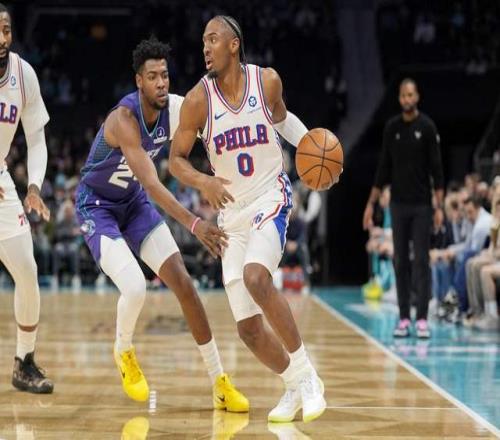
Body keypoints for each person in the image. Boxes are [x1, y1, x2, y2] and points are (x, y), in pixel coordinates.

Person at [169, 16, 333, 423]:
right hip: (231, 214)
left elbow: (282, 119)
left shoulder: (267, 82)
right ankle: (293, 385)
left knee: (256, 278)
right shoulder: (198, 100)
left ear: (234, 45)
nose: (205, 48)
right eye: (203, 42)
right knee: (248, 329)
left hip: (269, 196)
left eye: (213, 39)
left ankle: (308, 377)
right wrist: (203, 180)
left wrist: (315, 149)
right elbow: (175, 160)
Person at [76, 37, 248, 411]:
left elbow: (218, 129)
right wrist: (194, 223)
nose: (161, 83)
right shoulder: (123, 120)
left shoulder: (176, 108)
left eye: (165, 75)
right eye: (152, 76)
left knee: (185, 284)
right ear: (139, 81)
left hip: (133, 204)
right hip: (98, 207)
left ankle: (219, 381)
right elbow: (154, 185)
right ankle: (123, 350)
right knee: (135, 287)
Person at [363, 78, 444, 339]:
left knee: (421, 260)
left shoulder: (427, 127)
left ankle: (422, 319)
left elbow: (437, 170)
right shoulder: (392, 128)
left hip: (422, 205)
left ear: (417, 97)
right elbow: (383, 168)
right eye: (403, 95)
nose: (407, 99)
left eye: (411, 94)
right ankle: (404, 318)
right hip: (398, 204)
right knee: (400, 262)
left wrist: (439, 207)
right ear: (399, 99)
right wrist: (371, 203)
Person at [0, 3, 53, 393]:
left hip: (2, 181)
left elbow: (36, 139)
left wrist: (33, 186)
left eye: (6, 29)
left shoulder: (23, 74)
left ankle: (25, 361)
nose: (2, 38)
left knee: (27, 271)